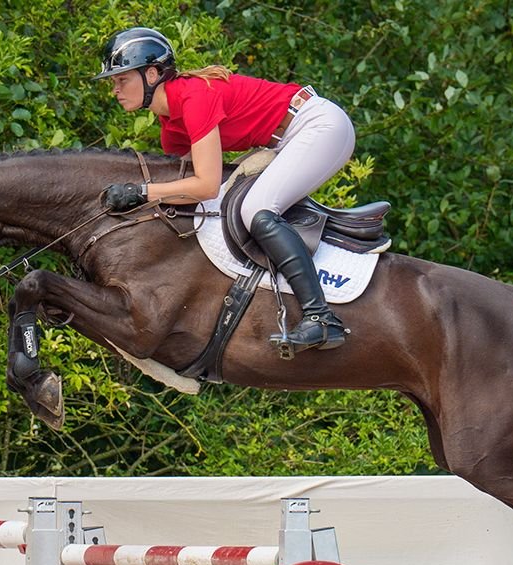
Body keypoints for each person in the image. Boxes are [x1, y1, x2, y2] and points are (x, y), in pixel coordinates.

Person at [96, 26, 355, 355]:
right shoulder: (171, 127)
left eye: (121, 79)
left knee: (256, 210)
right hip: (291, 137)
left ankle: (321, 318)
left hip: (318, 125)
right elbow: (184, 191)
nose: (115, 89)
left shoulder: (193, 97)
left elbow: (204, 185)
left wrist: (143, 192)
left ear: (151, 74)